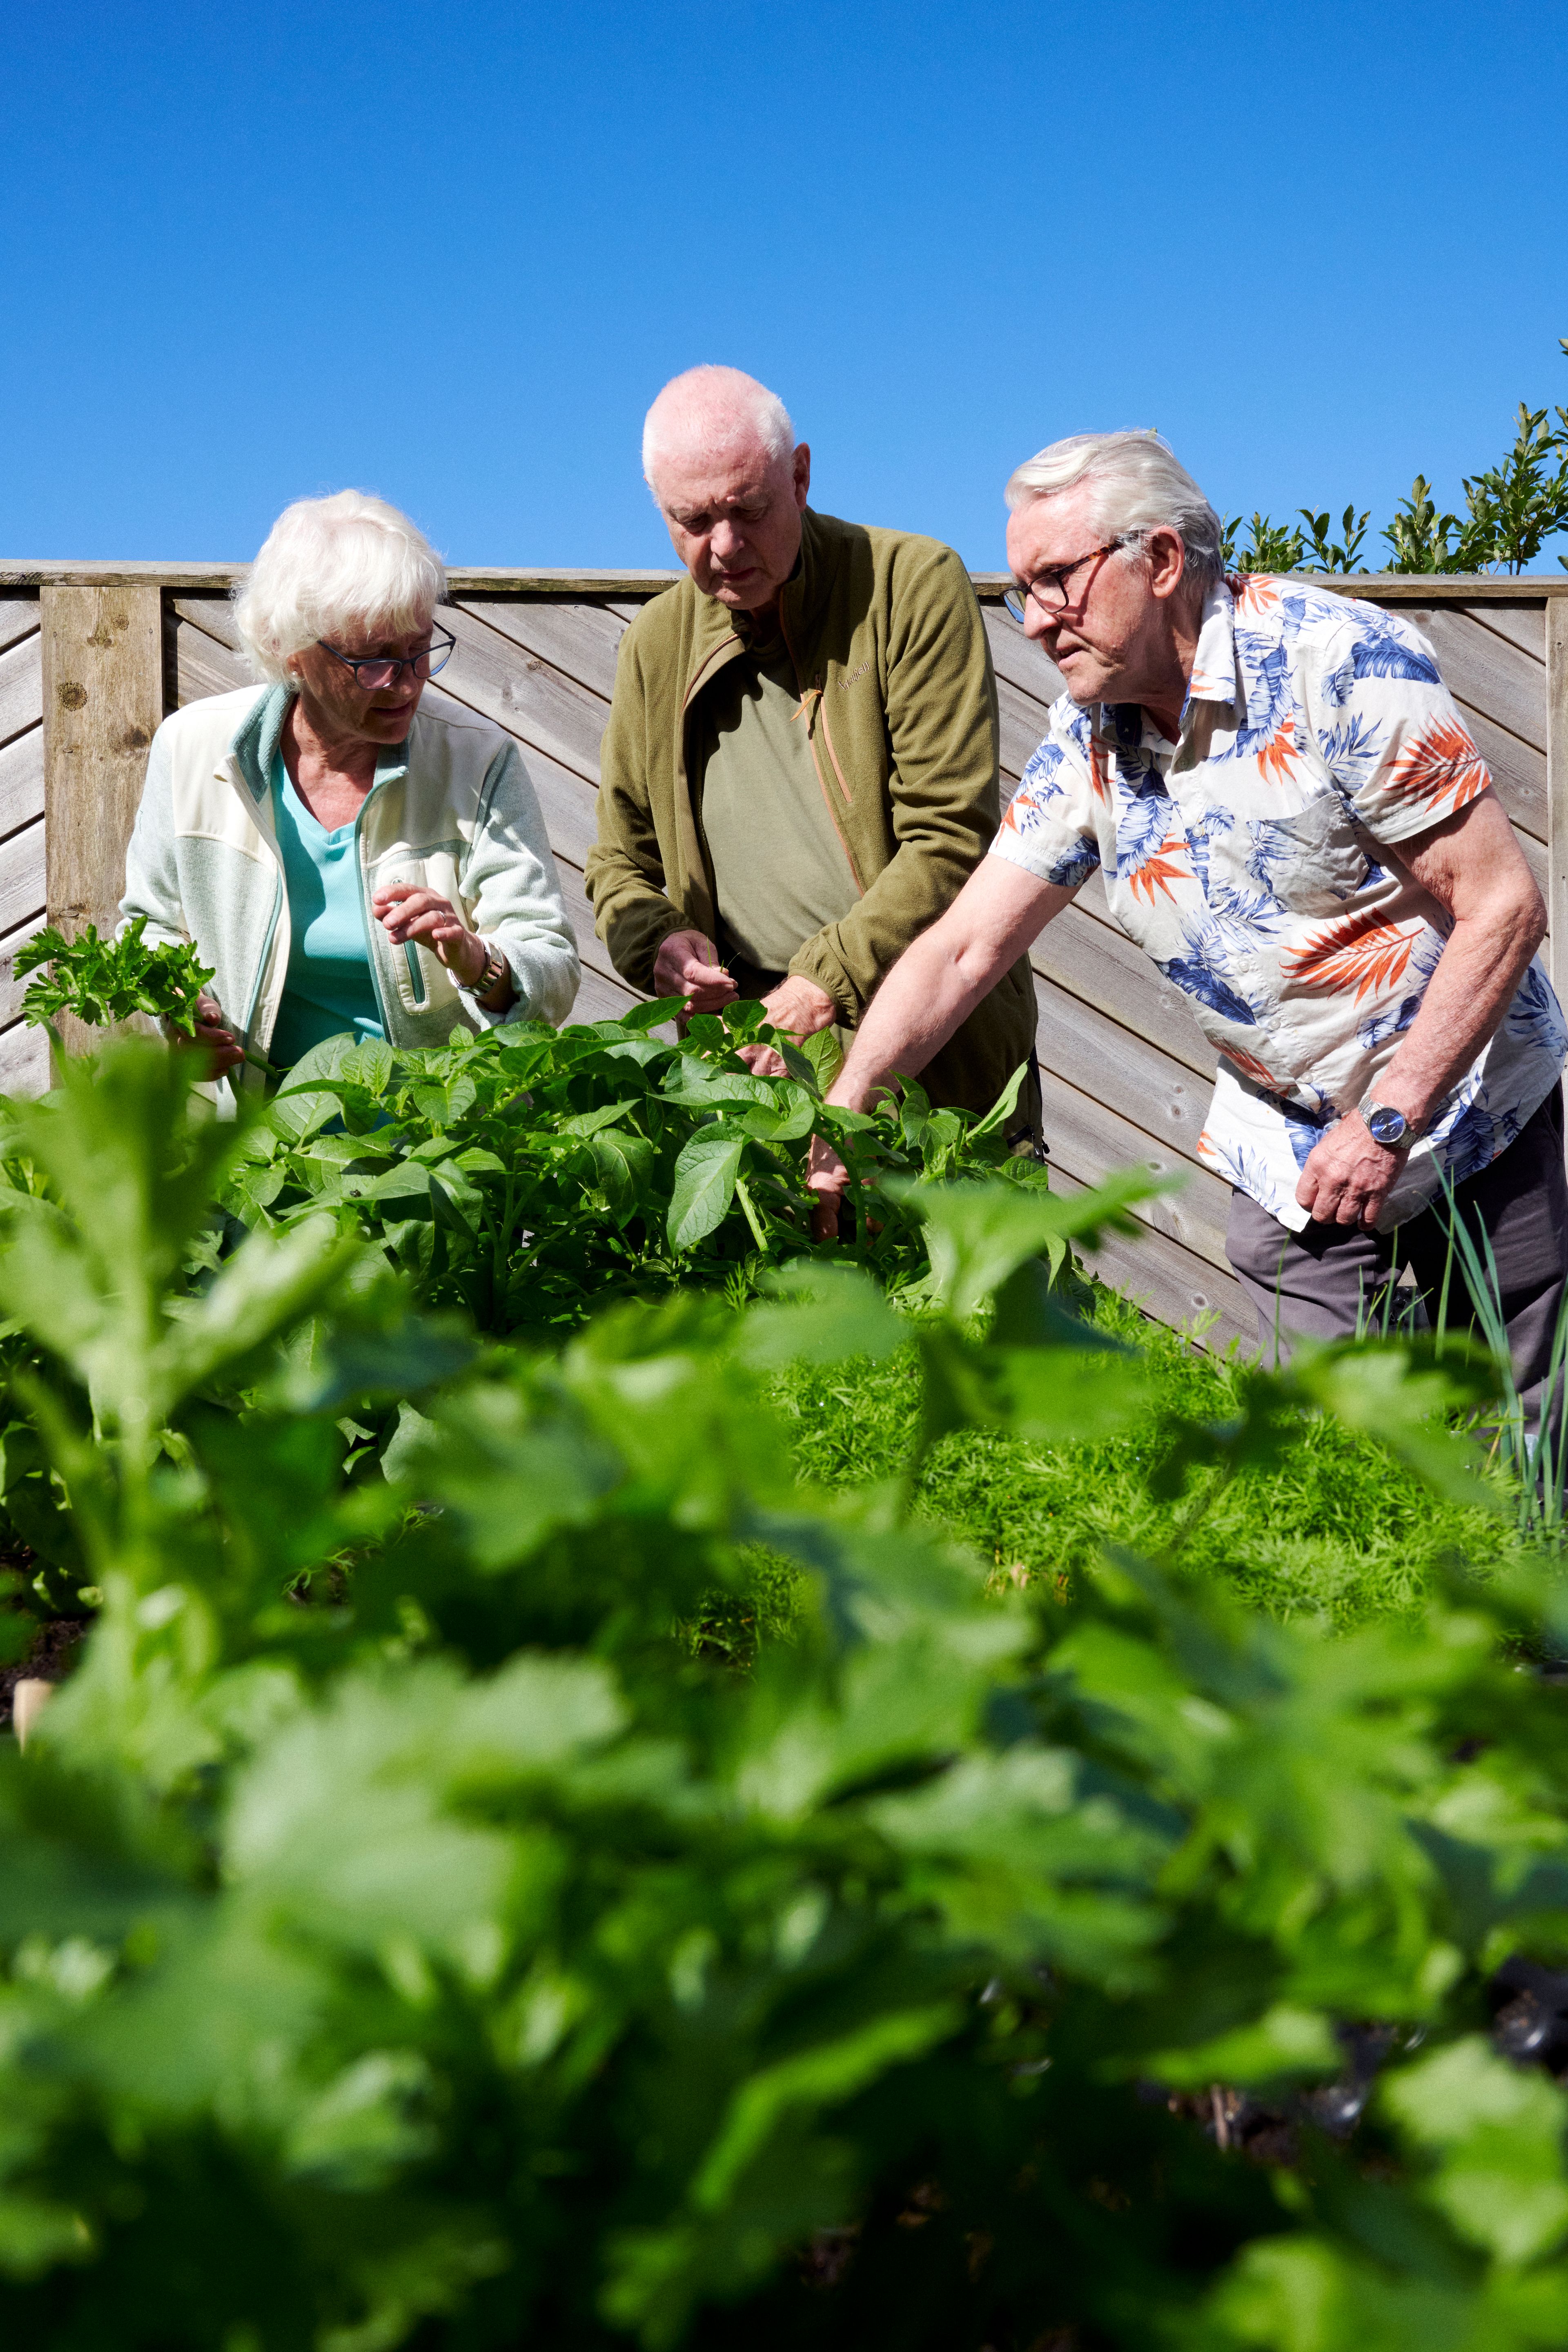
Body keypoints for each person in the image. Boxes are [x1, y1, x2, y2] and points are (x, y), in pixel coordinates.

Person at [809, 431, 1568, 1420]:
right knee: (1327, 1449)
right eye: (1021, 592)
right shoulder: (1089, 740)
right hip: (1296, 1145)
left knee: (1522, 1434)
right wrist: (852, 1099)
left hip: (1473, 1111)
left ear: (1160, 561)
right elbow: (965, 947)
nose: (1034, 622)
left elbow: (1503, 906)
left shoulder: (1337, 664)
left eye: (1056, 583)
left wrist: (1392, 1116)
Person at [584, 365, 1038, 1125]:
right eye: (692, 522)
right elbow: (619, 865)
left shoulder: (908, 586)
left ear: (799, 477)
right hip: (746, 1072)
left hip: (934, 1066)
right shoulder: (655, 645)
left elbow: (950, 838)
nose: (725, 546)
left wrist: (822, 981)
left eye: (749, 508)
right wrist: (658, 945)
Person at [121, 490, 579, 1096]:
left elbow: (551, 967)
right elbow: (149, 929)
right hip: (251, 1153)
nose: (406, 683)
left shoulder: (478, 761)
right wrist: (175, 1013)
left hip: (441, 1149)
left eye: (420, 650)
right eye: (374, 661)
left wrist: (478, 962)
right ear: (292, 651)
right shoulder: (193, 752)